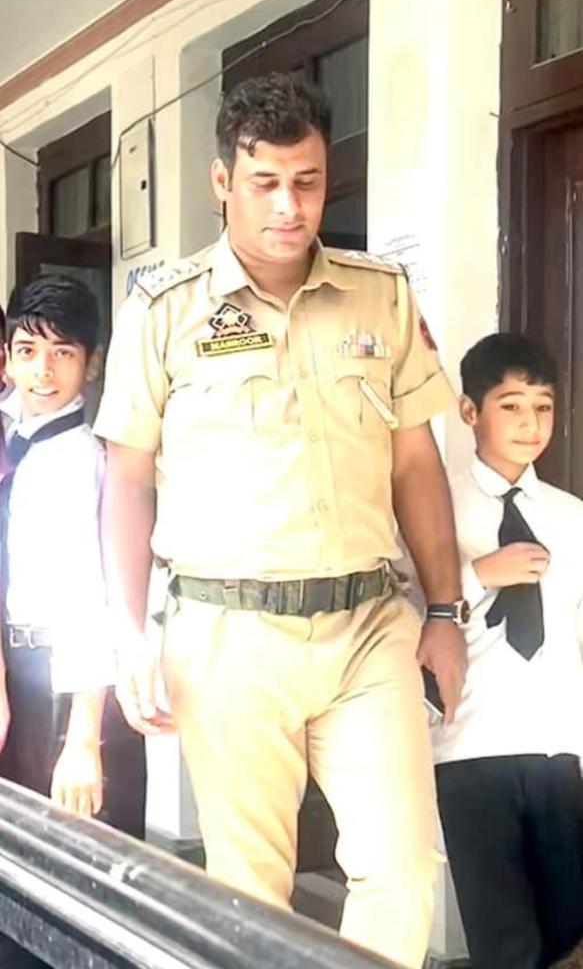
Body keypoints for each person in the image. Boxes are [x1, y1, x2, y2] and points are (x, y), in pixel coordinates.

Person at [94, 71, 467, 969]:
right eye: (265, 183)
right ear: (222, 181)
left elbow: (415, 464)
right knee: (249, 894)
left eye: (307, 182)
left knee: (403, 874)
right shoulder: (164, 310)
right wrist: (128, 633)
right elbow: (126, 479)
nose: (289, 207)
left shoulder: (381, 294)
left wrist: (445, 610)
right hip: (227, 635)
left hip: (366, 627)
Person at [433, 333, 583, 969]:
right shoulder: (434, 511)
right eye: (512, 406)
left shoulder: (572, 517)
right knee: (504, 942)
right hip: (471, 746)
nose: (531, 424)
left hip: (559, 746)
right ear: (471, 411)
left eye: (543, 407)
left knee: (569, 932)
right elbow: (402, 620)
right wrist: (476, 576)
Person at [0, 274, 146, 839]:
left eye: (63, 353)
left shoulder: (85, 462)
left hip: (72, 684)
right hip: (20, 674)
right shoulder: (15, 439)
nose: (43, 371)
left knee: (77, 855)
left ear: (92, 364)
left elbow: (92, 597)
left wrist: (84, 736)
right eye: (28, 351)